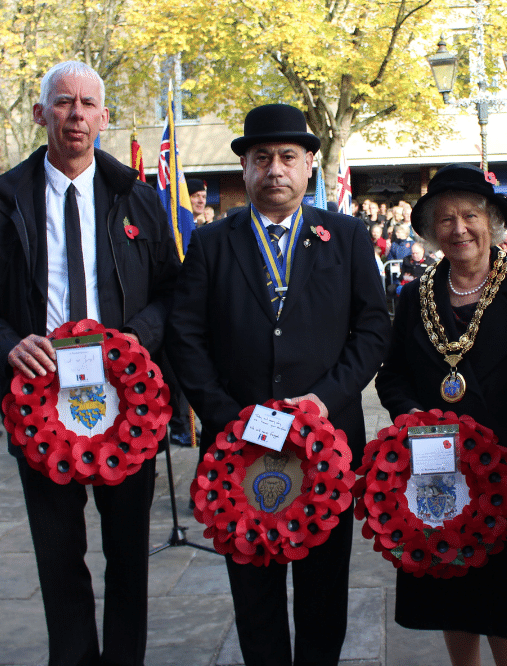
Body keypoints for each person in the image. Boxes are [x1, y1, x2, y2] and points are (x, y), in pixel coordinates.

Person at [0, 61, 179, 666]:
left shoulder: (138, 197)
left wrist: (135, 340)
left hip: (125, 404)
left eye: (87, 104)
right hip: (39, 405)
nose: (76, 114)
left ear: (104, 118)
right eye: (64, 102)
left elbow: (174, 292)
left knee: (128, 556)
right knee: (58, 559)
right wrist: (6, 343)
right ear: (40, 113)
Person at [164, 103, 390, 666]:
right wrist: (224, 416)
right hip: (240, 451)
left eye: (288, 157)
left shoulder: (346, 234)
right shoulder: (213, 243)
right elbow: (184, 335)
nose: (275, 169)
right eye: (261, 158)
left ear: (309, 164)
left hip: (327, 445)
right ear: (244, 169)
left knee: (322, 588)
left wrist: (327, 397)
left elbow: (372, 328)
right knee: (254, 589)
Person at [376, 163, 507, 666]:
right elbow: (391, 376)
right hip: (439, 473)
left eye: (470, 215)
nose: (458, 229)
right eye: (444, 220)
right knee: (451, 588)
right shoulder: (414, 296)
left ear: (493, 221)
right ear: (430, 231)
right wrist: (414, 417)